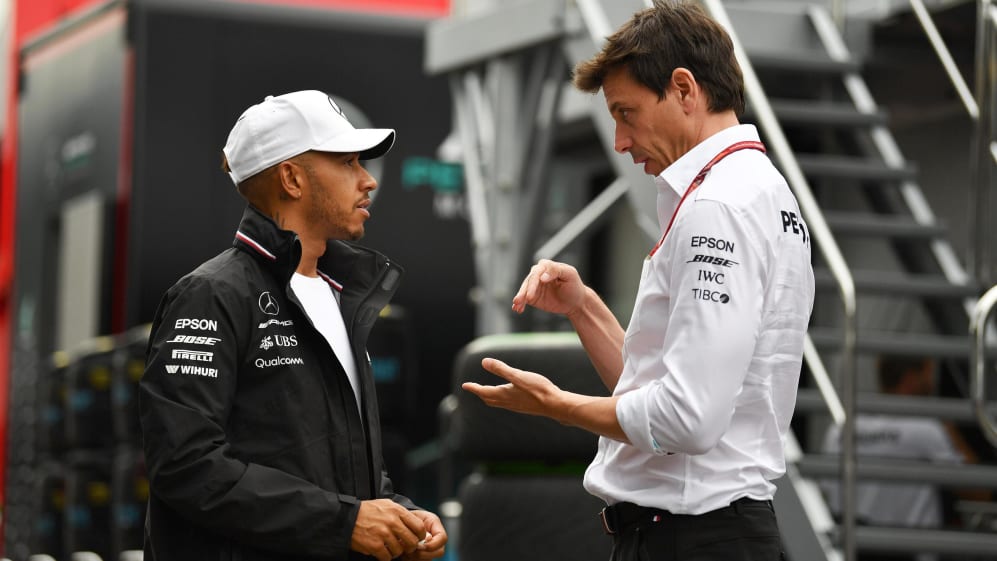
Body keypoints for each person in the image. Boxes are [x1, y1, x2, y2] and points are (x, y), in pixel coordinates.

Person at [461, 2, 815, 560]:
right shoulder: (756, 191)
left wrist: (556, 405)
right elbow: (664, 391)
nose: (620, 141)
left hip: (691, 537)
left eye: (626, 113)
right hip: (704, 532)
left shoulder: (717, 205)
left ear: (684, 90)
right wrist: (583, 307)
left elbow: (686, 419)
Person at [139, 90, 447, 561]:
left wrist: (398, 517)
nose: (368, 180)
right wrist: (345, 523)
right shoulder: (211, 294)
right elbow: (186, 466)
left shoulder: (342, 297)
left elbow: (338, 472)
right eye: (348, 163)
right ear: (292, 178)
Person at [821, 356, 967, 561]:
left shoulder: (840, 431)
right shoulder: (926, 429)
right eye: (928, 374)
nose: (932, 383)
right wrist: (948, 425)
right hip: (911, 552)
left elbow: (824, 493)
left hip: (850, 551)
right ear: (911, 378)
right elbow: (975, 488)